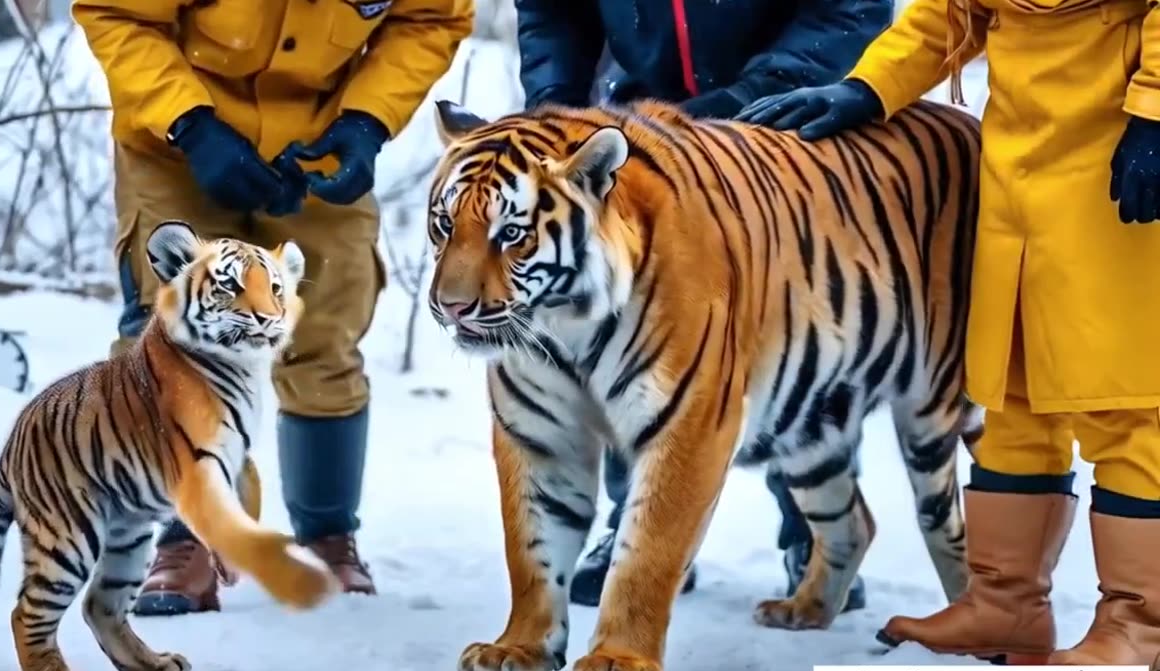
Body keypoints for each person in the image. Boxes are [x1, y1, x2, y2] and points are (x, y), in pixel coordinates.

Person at [737, 0, 1160, 668]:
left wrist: (1156, 112)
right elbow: (946, 13)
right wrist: (868, 86)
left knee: (1124, 401)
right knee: (1013, 399)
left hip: (1116, 165)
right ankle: (1005, 606)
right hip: (1015, 170)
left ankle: (1141, 627)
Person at [72, 0, 474, 614]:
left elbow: (434, 17)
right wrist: (191, 123)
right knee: (173, 340)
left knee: (324, 333)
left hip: (320, 142)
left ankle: (327, 537)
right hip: (175, 142)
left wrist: (369, 119)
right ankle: (190, 541)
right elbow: (116, 12)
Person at [513, 0, 894, 609]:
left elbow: (850, 8)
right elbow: (551, 11)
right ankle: (639, 528)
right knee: (633, 328)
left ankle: (815, 530)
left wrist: (754, 95)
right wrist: (554, 101)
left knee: (796, 333)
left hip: (788, 124)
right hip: (640, 116)